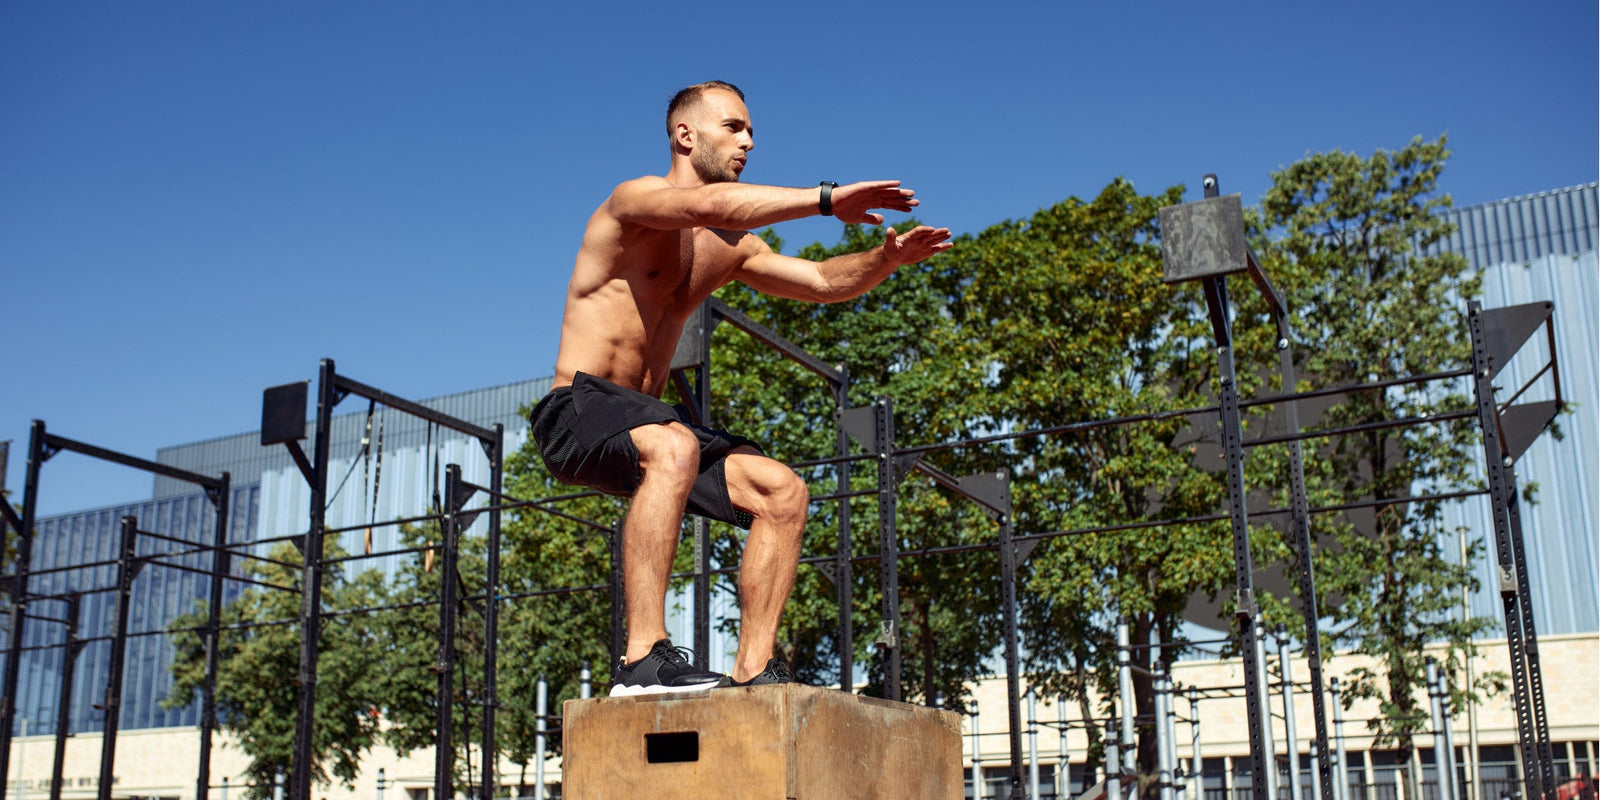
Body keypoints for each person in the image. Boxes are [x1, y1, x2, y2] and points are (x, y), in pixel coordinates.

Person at [531, 80, 952, 696]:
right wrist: (828, 199)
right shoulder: (634, 203)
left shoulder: (731, 248)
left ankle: (756, 670)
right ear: (685, 135)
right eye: (733, 127)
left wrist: (882, 261)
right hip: (578, 410)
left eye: (751, 131)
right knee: (673, 445)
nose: (748, 141)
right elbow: (714, 207)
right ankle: (641, 660)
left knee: (783, 492)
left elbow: (819, 280)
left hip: (648, 427)